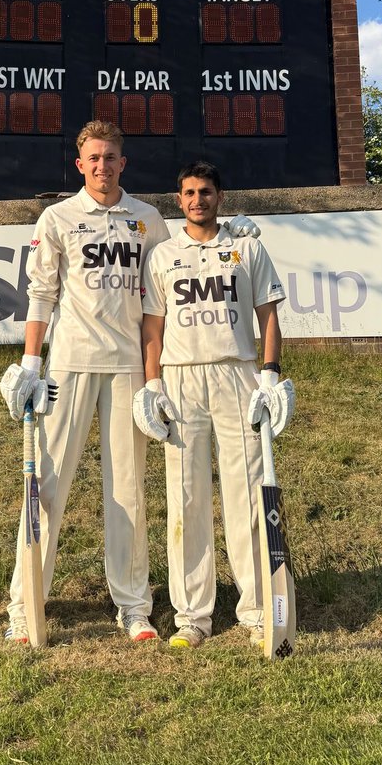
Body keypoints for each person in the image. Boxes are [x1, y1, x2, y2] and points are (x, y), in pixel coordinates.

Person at [0, 124, 262, 644]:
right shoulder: (57, 218)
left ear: (124, 163)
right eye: (94, 157)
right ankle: (25, 606)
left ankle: (134, 606)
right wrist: (31, 363)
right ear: (80, 165)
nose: (102, 165)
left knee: (129, 491)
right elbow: (41, 293)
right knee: (46, 488)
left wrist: (232, 234)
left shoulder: (147, 221)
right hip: (69, 365)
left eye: (111, 157)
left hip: (127, 371)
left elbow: (181, 267)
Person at [134, 160, 292, 649]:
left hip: (238, 373)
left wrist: (269, 376)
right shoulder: (162, 255)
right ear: (178, 200)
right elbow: (152, 329)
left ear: (220, 197)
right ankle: (193, 617)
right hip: (181, 380)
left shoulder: (247, 248)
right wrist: (152, 385)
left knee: (247, 496)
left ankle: (258, 610)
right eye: (188, 193)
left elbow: (268, 318)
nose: (197, 200)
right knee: (186, 498)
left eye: (205, 191)